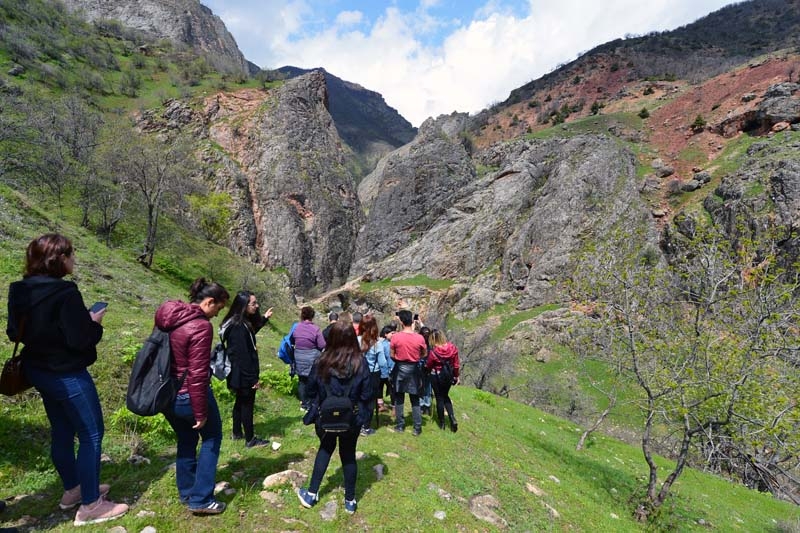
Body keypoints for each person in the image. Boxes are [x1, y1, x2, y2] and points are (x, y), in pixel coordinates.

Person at [5, 234, 128, 526]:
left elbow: (13, 333)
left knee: (61, 430)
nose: (74, 259)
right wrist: (93, 323)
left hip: (38, 370)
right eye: (71, 254)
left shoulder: (18, 289)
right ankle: (90, 506)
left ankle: (74, 489)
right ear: (59, 259)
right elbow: (80, 340)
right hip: (66, 373)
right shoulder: (65, 293)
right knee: (91, 433)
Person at [155, 278, 229, 515]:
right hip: (190, 394)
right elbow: (197, 372)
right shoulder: (200, 326)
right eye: (218, 308)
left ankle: (186, 491)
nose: (217, 314)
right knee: (211, 438)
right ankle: (201, 499)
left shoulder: (171, 317)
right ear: (209, 301)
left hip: (168, 393)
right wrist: (200, 411)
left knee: (186, 440)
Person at [296, 322, 372, 514]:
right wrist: (361, 416)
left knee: (325, 448)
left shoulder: (321, 361)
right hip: (351, 418)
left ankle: (311, 494)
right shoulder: (360, 362)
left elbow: (311, 390)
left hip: (325, 416)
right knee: (348, 455)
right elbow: (367, 393)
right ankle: (350, 501)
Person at [218, 291, 273, 448]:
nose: (257, 306)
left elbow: (250, 334)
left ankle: (237, 433)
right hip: (242, 372)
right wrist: (252, 379)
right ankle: (250, 439)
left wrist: (264, 319)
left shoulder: (238, 322)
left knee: (240, 402)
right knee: (247, 404)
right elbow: (243, 356)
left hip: (236, 372)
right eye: (253, 303)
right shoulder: (238, 326)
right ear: (243, 305)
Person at [389, 310, 427, 435]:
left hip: (400, 368)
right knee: (415, 399)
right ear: (412, 320)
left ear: (401, 321)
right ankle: (417, 427)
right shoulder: (419, 337)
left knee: (399, 398)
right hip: (414, 369)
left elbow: (392, 355)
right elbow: (424, 354)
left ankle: (400, 425)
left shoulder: (395, 337)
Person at [426, 329, 461, 432]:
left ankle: (441, 423)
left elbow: (429, 365)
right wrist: (456, 376)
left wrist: (426, 370)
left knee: (439, 398)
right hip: (448, 376)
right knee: (445, 396)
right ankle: (452, 417)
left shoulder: (433, 352)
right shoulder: (453, 348)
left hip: (436, 376)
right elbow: (456, 365)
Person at [293, 306, 326, 410]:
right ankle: (313, 403)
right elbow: (321, 345)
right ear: (312, 316)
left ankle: (304, 403)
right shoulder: (315, 329)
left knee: (302, 380)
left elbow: (292, 340)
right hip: (311, 357)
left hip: (298, 356)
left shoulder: (297, 327)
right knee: (313, 380)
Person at [358, 315, 385, 436]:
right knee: (370, 401)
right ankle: (366, 427)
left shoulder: (356, 340)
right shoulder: (376, 344)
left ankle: (358, 423)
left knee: (359, 398)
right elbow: (382, 362)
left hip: (358, 372)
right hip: (373, 373)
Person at [377, 324, 396, 413]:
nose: (393, 334)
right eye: (391, 333)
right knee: (380, 387)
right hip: (383, 370)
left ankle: (394, 407)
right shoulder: (382, 344)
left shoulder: (394, 343)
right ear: (385, 334)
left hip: (392, 369)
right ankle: (380, 405)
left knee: (392, 389)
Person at [418, 325, 433, 416]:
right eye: (424, 335)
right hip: (420, 367)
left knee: (428, 387)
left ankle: (427, 405)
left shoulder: (431, 345)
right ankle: (421, 405)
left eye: (427, 335)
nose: (426, 337)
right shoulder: (419, 343)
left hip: (429, 368)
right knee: (420, 386)